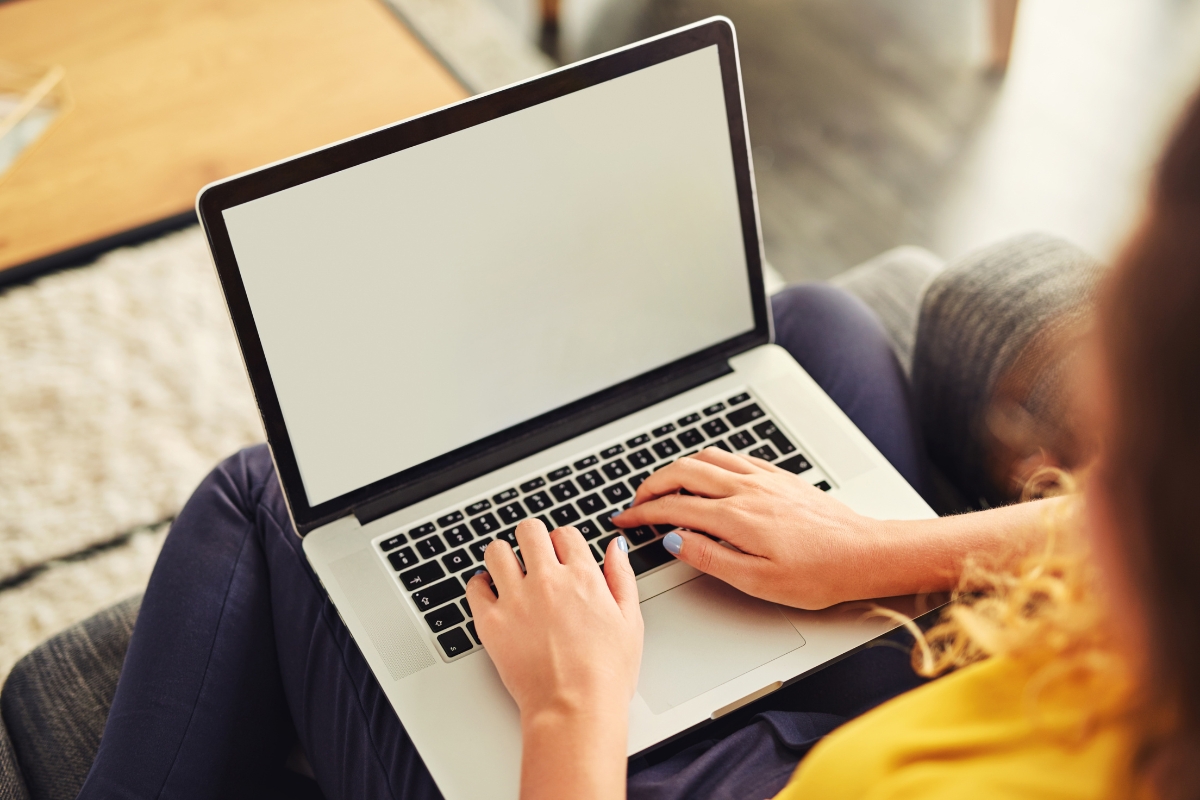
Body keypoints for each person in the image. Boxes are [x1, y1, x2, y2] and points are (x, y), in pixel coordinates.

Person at [78, 91, 1200, 800]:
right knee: (808, 326)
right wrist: (865, 550)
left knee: (263, 494)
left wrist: (573, 704)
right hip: (930, 671)